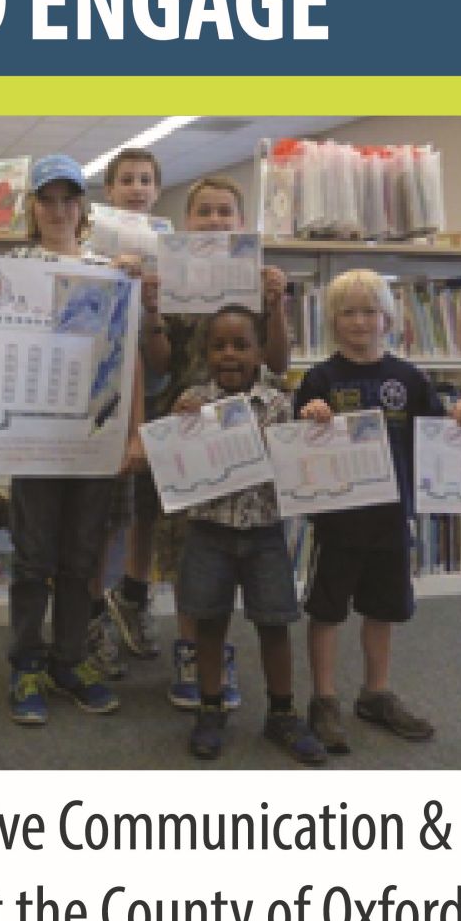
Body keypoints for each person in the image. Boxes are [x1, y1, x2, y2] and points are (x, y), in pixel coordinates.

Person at [295, 268, 461, 752]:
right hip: (339, 520)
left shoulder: (408, 377)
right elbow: (297, 442)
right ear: (333, 321)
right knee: (328, 609)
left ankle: (375, 693)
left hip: (391, 516)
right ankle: (324, 698)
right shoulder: (322, 378)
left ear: (389, 319)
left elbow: (439, 432)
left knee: (383, 609)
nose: (360, 322)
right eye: (348, 313)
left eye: (369, 311)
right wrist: (311, 417)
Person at [150, 174, 290, 713]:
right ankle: (194, 653)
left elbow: (277, 363)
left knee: (247, 541)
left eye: (224, 212)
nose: (213, 221)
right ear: (187, 224)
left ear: (240, 222)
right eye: (203, 212)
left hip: (251, 426)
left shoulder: (258, 283)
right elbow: (161, 365)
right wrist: (151, 309)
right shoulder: (178, 280)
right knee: (193, 551)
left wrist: (275, 303)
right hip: (189, 424)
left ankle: (221, 655)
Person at [7, 153, 133, 725]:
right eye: (47, 199)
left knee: (82, 557)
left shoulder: (109, 267)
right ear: (31, 207)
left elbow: (126, 354)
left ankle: (70, 658)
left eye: (68, 199)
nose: (58, 210)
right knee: (34, 557)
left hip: (92, 433)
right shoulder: (15, 263)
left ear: (83, 207)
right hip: (35, 434)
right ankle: (27, 663)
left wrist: (130, 285)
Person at [170, 305, 326, 763]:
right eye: (219, 346)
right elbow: (175, 462)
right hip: (208, 531)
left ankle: (281, 712)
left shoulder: (279, 404)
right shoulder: (193, 401)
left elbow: (299, 462)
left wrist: (315, 423)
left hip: (264, 533)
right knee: (209, 622)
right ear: (205, 352)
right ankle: (211, 707)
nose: (229, 355)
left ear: (260, 352)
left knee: (274, 622)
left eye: (241, 345)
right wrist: (181, 422)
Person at [85, 149, 167, 677]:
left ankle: (134, 595)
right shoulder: (92, 247)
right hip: (108, 391)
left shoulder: (171, 243)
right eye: (126, 181)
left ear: (157, 190)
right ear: (109, 191)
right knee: (107, 509)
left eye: (145, 181)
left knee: (151, 506)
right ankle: (94, 611)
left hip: (161, 385)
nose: (136, 189)